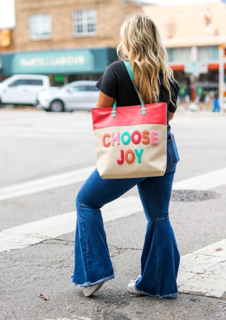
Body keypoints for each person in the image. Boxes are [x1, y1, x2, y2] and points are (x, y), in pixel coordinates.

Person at [71, 13, 180, 299]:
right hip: (162, 152)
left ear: (129, 39)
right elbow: (165, 119)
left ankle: (94, 274)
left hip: (128, 153)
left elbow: (103, 115)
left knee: (86, 201)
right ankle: (159, 286)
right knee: (159, 217)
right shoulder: (168, 77)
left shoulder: (116, 72)